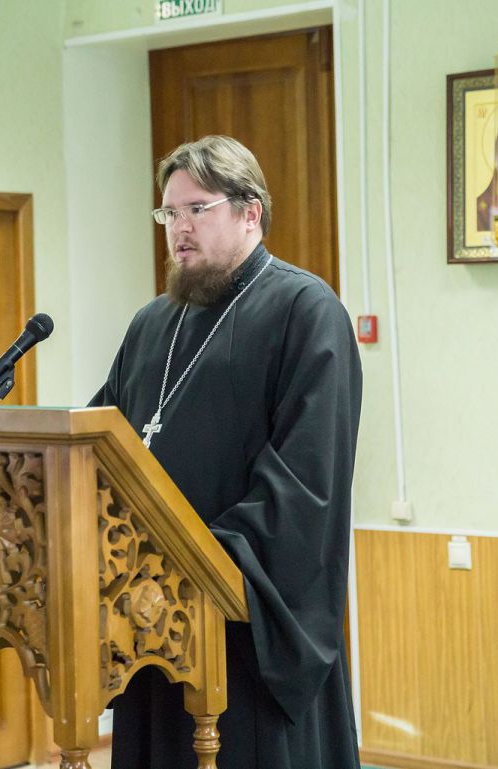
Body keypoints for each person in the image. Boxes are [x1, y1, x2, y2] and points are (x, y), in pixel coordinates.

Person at [89, 135, 362, 769]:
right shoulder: (151, 324)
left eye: (196, 209)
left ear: (250, 213)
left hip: (244, 626)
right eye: (169, 212)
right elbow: (100, 447)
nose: (178, 228)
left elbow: (307, 482)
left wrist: (196, 563)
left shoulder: (306, 311)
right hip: (151, 620)